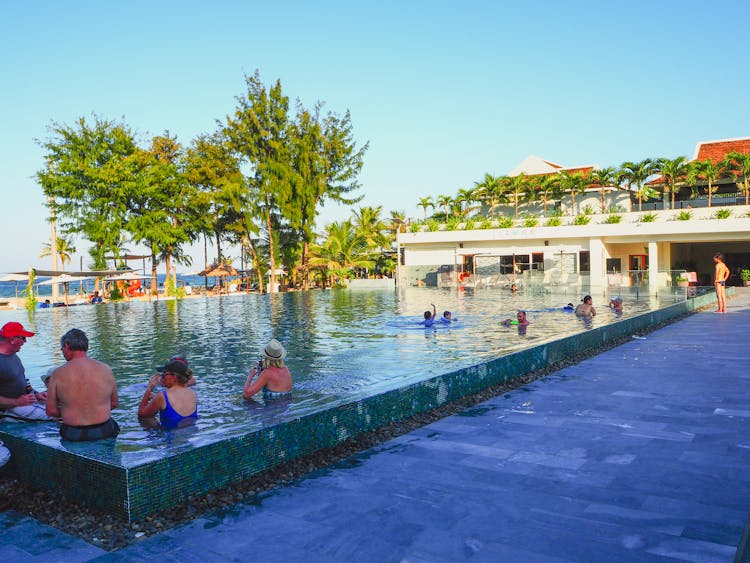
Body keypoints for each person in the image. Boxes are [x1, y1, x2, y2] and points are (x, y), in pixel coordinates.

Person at [45, 329, 120, 441]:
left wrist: (71, 411)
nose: (62, 352)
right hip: (104, 430)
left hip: (73, 433)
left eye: (62, 349)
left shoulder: (58, 373)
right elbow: (114, 403)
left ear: (67, 346)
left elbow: (51, 411)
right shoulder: (106, 369)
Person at [0, 322, 51, 420]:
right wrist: (17, 402)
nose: (25, 341)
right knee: (56, 414)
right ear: (12, 339)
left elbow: (23, 382)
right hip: (11, 407)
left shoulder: (13, 355)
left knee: (61, 403)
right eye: (23, 338)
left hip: (25, 400)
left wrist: (36, 395)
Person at [138, 356, 197, 428]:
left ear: (174, 377)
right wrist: (155, 398)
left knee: (144, 419)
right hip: (190, 435)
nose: (162, 378)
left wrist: (149, 388)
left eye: (164, 375)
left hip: (170, 437)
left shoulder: (162, 396)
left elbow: (142, 414)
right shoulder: (192, 393)